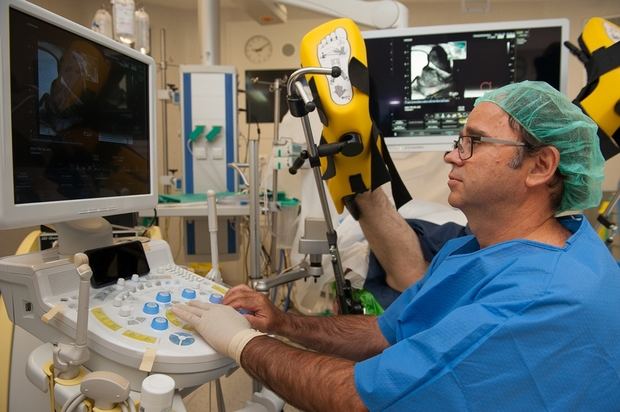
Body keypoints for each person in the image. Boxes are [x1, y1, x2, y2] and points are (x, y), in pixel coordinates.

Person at [172, 81, 620, 411]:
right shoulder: (475, 251)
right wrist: (282, 322)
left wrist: (240, 343)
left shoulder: (541, 297)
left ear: (540, 165)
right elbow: (388, 331)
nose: (452, 155)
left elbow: (355, 397)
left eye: (473, 142)